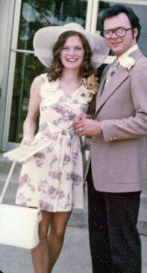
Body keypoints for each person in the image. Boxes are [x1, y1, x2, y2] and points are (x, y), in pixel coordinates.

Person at [74, 4, 147, 273]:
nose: (113, 36)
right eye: (108, 31)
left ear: (134, 31)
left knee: (122, 248)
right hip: (99, 172)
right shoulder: (110, 68)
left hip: (123, 175)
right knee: (100, 245)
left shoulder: (143, 67)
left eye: (120, 30)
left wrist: (100, 128)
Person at [15, 23, 108, 273]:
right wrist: (27, 139)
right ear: (58, 52)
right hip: (41, 157)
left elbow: (96, 122)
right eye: (66, 48)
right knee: (38, 228)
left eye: (78, 48)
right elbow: (30, 118)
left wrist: (88, 126)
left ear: (85, 53)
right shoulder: (42, 82)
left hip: (70, 161)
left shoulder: (91, 87)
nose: (72, 53)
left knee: (58, 230)